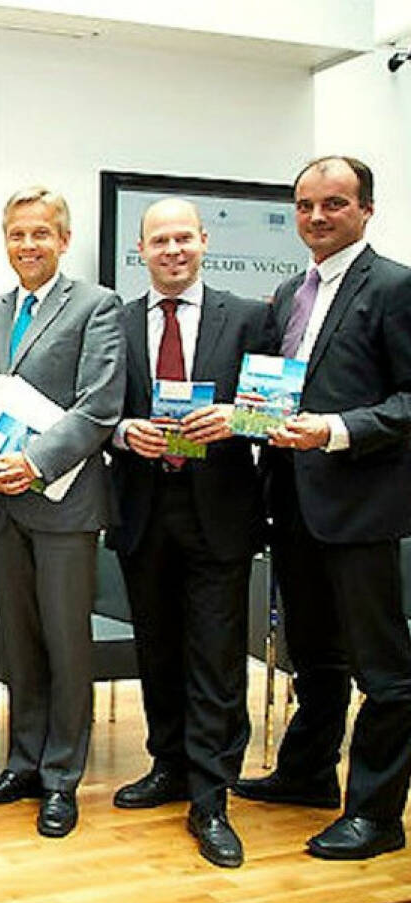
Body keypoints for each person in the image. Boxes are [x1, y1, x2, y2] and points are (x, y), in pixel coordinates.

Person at [233, 156, 411, 861]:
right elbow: (274, 392)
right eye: (305, 205)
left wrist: (336, 431)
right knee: (314, 658)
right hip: (295, 503)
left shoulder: (396, 287)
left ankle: (376, 813)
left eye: (333, 204)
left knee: (386, 670)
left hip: (361, 507)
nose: (316, 217)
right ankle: (308, 774)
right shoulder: (289, 293)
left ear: (365, 209)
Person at [105, 198, 276, 868]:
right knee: (158, 648)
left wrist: (237, 417)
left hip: (220, 511)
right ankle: (168, 765)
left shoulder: (251, 318)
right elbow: (101, 412)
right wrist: (124, 432)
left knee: (215, 655)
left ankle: (211, 797)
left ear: (204, 242)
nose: (172, 250)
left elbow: (274, 414)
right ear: (140, 252)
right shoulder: (114, 322)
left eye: (183, 238)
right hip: (144, 507)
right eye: (159, 241)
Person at [0, 186, 124, 838]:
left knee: (66, 645)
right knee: (21, 647)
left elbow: (99, 405)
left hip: (64, 505)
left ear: (63, 238)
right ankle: (23, 764)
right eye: (16, 234)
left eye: (40, 233)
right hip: (0, 508)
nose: (27, 245)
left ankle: (62, 778)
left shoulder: (96, 306)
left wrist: (32, 462)